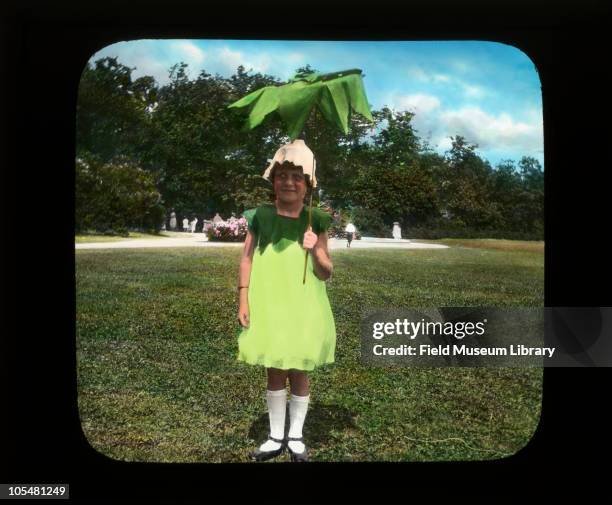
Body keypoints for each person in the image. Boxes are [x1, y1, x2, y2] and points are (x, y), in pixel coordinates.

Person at [237, 139, 336, 463]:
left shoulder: (316, 220)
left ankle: (295, 436)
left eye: (297, 176)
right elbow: (247, 258)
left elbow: (326, 273)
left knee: (299, 368)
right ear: (273, 180)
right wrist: (243, 297)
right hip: (270, 302)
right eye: (283, 175)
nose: (289, 182)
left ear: (308, 185)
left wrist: (315, 249)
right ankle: (275, 435)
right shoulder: (261, 216)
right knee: (275, 367)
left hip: (304, 305)